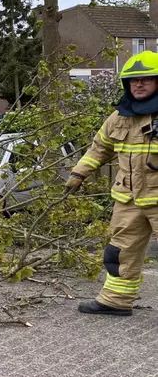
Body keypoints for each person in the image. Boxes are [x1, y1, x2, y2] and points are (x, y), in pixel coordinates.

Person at [66, 50, 158, 316]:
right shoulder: (119, 117)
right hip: (128, 200)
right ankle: (115, 300)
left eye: (146, 79)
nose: (138, 84)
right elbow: (98, 149)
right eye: (133, 80)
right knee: (119, 252)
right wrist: (78, 174)